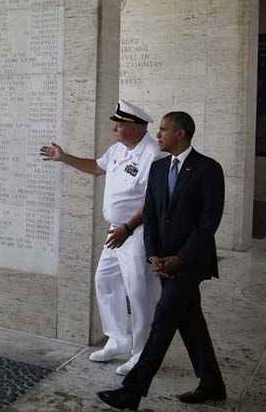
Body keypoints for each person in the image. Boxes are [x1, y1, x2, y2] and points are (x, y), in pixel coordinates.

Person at [97, 111, 227, 410]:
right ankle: (212, 384)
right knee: (191, 323)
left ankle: (132, 392)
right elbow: (153, 217)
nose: (158, 136)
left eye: (164, 130)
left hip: (188, 263)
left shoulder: (208, 169)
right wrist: (153, 254)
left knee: (163, 323)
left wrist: (179, 259)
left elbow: (208, 225)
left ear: (180, 134)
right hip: (162, 261)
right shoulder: (158, 169)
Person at [40, 100, 162, 376]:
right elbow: (96, 167)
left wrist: (128, 228)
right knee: (105, 282)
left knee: (139, 293)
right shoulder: (118, 149)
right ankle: (118, 341)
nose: (115, 130)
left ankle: (143, 353)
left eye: (119, 126)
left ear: (134, 127)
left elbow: (154, 202)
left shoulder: (153, 155)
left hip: (137, 233)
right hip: (116, 230)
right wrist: (64, 157)